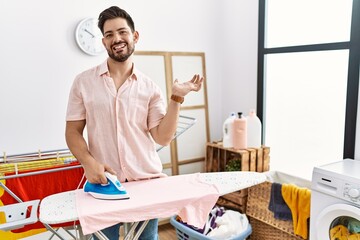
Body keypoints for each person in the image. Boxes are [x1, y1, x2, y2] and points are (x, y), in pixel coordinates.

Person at [65, 6, 204, 240]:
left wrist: (176, 98)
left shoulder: (149, 87)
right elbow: (72, 132)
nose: (116, 39)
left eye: (122, 32)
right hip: (105, 184)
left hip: (145, 183)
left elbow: (161, 137)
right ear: (103, 42)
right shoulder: (83, 82)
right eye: (109, 35)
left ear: (134, 36)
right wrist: (88, 162)